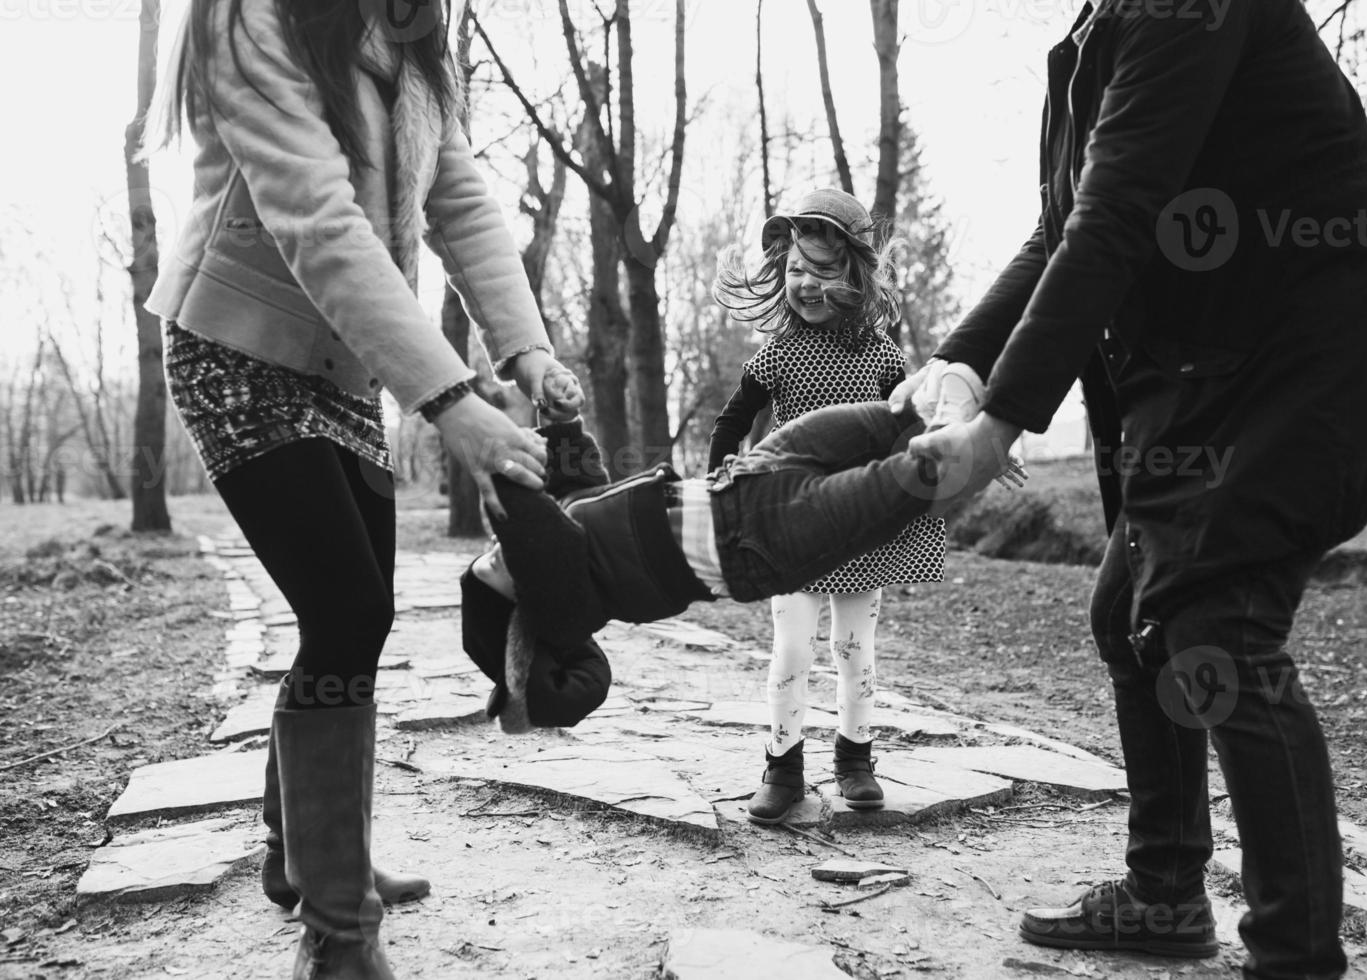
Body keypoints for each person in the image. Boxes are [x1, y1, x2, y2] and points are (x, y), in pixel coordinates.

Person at [892, 3, 1367, 978]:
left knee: (1217, 629)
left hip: (1309, 362)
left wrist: (1002, 422)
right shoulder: (1105, 26)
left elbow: (1118, 215)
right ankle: (1166, 893)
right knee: (1127, 613)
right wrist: (959, 361)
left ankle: (1292, 954)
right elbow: (1064, 227)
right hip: (1218, 377)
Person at [145, 1, 583, 977]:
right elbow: (319, 220)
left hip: (347, 368)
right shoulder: (252, 19)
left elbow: (458, 196)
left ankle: (299, 853)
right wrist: (453, 399)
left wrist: (528, 347)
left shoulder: (417, 38)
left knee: (353, 615)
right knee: (344, 606)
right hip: (237, 346)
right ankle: (339, 929)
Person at [458, 398, 1023, 734]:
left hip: (753, 471)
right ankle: (1007, 416)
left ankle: (969, 394)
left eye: (489, 549)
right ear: (523, 620)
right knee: (913, 476)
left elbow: (578, 481)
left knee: (903, 410)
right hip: (766, 541)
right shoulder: (566, 604)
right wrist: (497, 466)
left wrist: (560, 418)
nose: (500, 549)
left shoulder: (561, 535)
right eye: (499, 567)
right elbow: (536, 536)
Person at [706, 188, 948, 824]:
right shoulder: (778, 354)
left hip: (860, 527)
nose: (805, 284)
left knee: (853, 647)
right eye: (794, 270)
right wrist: (723, 497)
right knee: (791, 649)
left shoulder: (884, 356)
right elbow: (728, 427)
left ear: (856, 275)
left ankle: (855, 758)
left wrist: (967, 450)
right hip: (789, 525)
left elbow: (910, 429)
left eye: (822, 270)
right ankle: (782, 767)